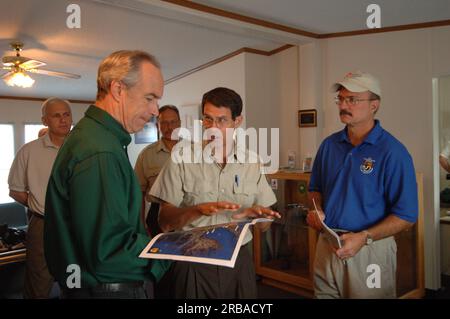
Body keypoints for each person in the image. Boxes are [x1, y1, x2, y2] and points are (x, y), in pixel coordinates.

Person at [44, 50, 169, 299]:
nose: (156, 110)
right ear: (118, 90)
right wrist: (168, 253)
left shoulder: (98, 138)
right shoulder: (100, 151)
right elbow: (108, 253)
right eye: (149, 98)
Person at [149, 87, 280, 299]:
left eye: (222, 121)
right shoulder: (181, 158)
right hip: (192, 261)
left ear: (237, 121)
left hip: (238, 262)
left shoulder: (252, 162)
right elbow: (164, 221)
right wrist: (197, 210)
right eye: (208, 120)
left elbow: (264, 226)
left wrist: (260, 215)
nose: (213, 129)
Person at [306, 71, 418, 299]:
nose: (344, 105)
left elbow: (406, 216)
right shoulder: (329, 145)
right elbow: (314, 189)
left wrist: (364, 237)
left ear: (374, 105)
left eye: (353, 100)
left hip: (370, 249)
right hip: (327, 245)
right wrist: (317, 211)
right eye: (341, 99)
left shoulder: (393, 152)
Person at [8, 97, 72, 299]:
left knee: (75, 278)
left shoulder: (84, 149)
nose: (63, 120)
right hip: (43, 224)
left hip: (77, 225)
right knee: (39, 282)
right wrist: (40, 205)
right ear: (45, 120)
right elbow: (16, 190)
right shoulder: (29, 151)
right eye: (56, 115)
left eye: (66, 114)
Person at [134, 105, 181, 232]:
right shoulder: (146, 155)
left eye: (173, 122)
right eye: (164, 122)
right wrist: (140, 226)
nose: (169, 127)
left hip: (188, 212)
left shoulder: (195, 151)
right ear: (157, 125)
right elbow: (138, 193)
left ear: (180, 123)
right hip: (157, 216)